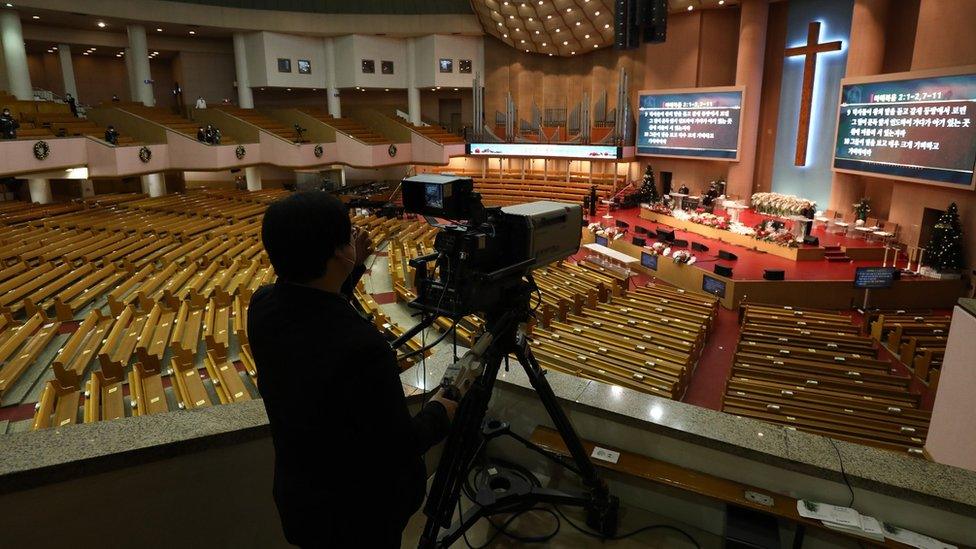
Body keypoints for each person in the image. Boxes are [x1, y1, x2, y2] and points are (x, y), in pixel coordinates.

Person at [248, 192, 456, 547]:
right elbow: (399, 446)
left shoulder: (263, 306)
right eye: (346, 240)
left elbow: (314, 308)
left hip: (302, 501)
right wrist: (443, 409)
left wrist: (352, 265)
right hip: (361, 516)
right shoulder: (363, 349)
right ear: (339, 252)